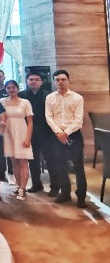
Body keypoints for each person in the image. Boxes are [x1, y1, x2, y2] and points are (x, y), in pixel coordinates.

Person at [45, 70, 87, 208]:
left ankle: (81, 196)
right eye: (57, 80)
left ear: (69, 81)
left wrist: (66, 133)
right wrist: (59, 132)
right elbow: (48, 117)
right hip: (56, 135)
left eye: (63, 79)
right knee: (60, 165)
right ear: (54, 82)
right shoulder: (50, 98)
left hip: (74, 134)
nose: (60, 82)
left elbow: (79, 120)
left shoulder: (77, 98)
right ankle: (65, 193)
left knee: (78, 166)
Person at [19, 72, 56, 194]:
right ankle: (36, 184)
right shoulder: (21, 95)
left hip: (46, 132)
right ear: (27, 81)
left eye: (36, 79)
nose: (33, 81)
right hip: (29, 133)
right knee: (33, 160)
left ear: (41, 82)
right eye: (31, 79)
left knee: (50, 159)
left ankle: (55, 186)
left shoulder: (48, 95)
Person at [0, 80, 34, 202]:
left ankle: (23, 189)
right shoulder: (2, 102)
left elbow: (30, 122)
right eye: (8, 88)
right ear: (5, 89)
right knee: (14, 162)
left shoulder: (25, 102)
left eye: (13, 87)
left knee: (23, 162)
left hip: (22, 133)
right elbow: (0, 118)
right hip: (8, 135)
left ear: (17, 88)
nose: (11, 90)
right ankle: (18, 186)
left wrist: (28, 138)